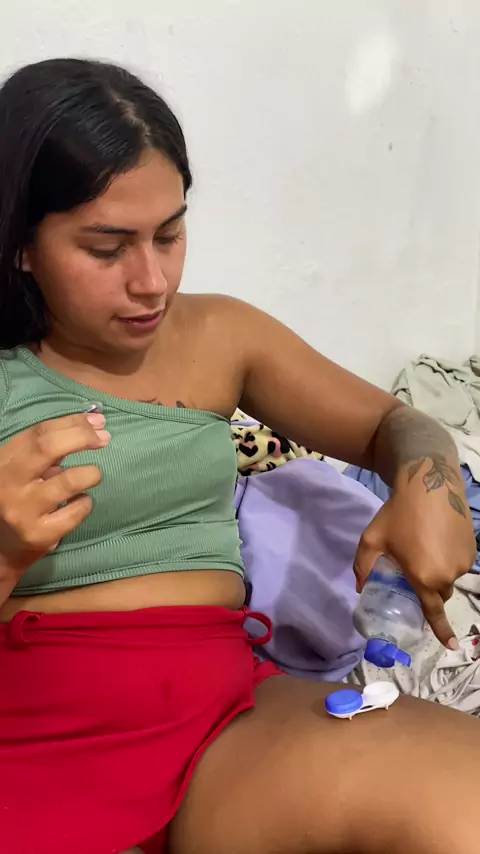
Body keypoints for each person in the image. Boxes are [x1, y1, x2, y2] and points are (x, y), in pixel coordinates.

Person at [0, 57, 478, 854]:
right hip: (32, 740)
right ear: (22, 244)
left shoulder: (219, 335)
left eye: (170, 234)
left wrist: (431, 485)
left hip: (222, 723)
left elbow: (395, 423)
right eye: (107, 247)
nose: (153, 281)